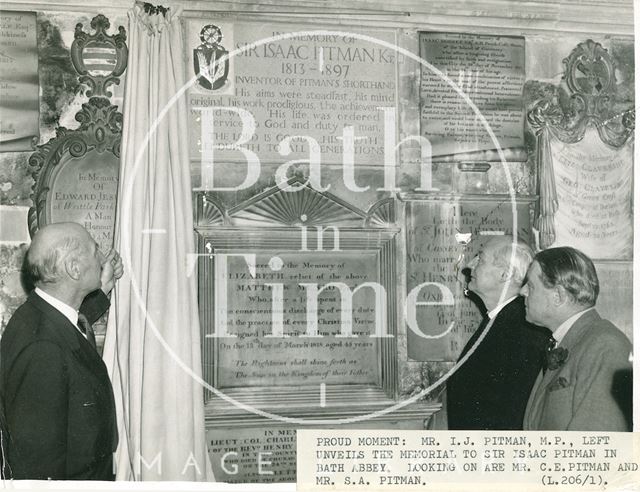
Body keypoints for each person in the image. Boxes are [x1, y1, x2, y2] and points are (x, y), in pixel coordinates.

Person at [0, 222, 123, 479]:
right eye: (94, 250)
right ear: (74, 268)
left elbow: (67, 335)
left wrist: (103, 289)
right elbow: (40, 474)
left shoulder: (39, 317)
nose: (101, 257)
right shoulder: (43, 350)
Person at [521, 247, 632, 431]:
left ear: (558, 296)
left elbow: (597, 446)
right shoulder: (571, 341)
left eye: (531, 286)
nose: (522, 291)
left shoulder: (606, 346)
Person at [446, 235, 550, 429]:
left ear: (505, 274)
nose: (469, 265)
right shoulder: (504, 320)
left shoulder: (522, 330)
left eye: (481, 259)